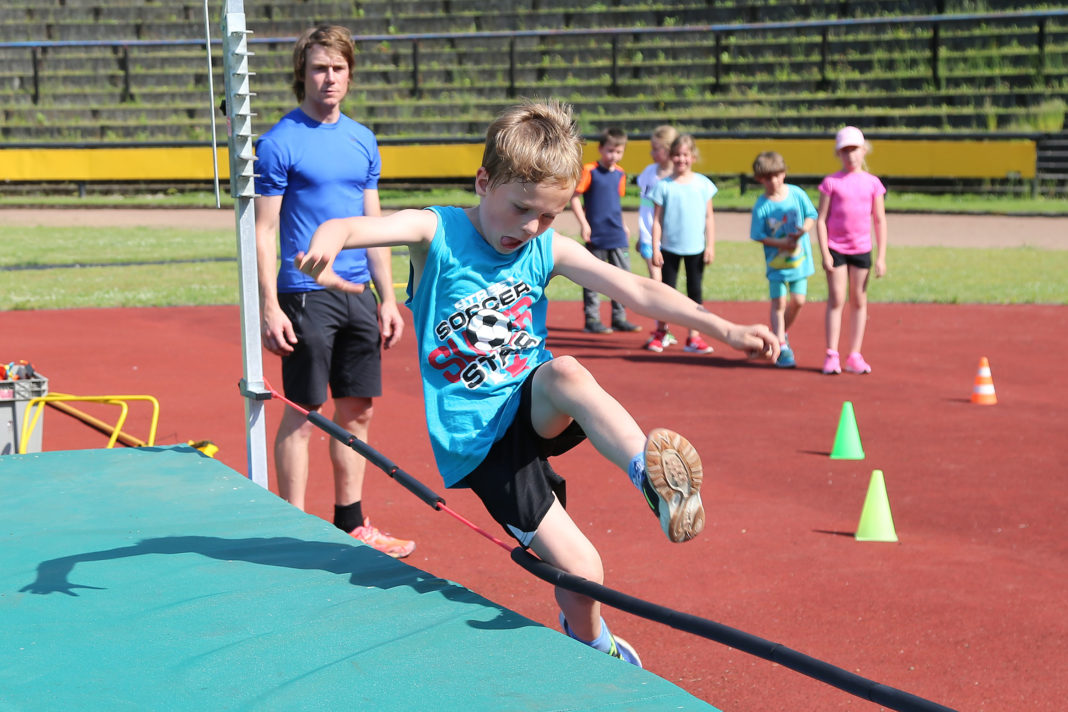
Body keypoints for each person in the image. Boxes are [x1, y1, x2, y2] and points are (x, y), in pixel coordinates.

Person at [293, 99, 778, 667]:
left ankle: (650, 476)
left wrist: (724, 327)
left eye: (548, 217)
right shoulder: (438, 231)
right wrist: (330, 236)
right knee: (585, 572)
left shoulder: (546, 248)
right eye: (522, 209)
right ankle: (591, 640)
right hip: (482, 444)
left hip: (530, 399)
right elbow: (361, 224)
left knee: (567, 371)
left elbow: (639, 291)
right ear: (483, 181)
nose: (530, 229)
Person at [253, 25, 414, 557]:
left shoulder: (362, 139)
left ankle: (352, 524)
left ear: (350, 74)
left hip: (357, 293)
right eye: (320, 68)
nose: (329, 78)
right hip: (305, 291)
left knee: (358, 411)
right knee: (304, 409)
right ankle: (293, 533)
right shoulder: (279, 142)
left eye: (338, 68)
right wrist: (269, 307)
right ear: (303, 72)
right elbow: (264, 232)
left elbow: (375, 226)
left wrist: (387, 298)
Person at [815, 126, 888, 375]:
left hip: (861, 249)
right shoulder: (830, 183)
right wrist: (825, 252)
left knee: (859, 299)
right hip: (836, 248)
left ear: (864, 150)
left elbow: (879, 220)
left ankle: (854, 355)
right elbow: (821, 220)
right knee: (836, 298)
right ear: (838, 154)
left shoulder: (873, 183)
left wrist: (881, 257)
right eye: (845, 151)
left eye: (854, 149)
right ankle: (831, 354)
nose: (850, 155)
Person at [650, 134, 718, 354]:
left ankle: (694, 337)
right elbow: (657, 220)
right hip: (669, 248)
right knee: (666, 293)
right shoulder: (663, 186)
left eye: (685, 155)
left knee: (694, 293)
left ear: (693, 156)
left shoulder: (703, 185)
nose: (681, 159)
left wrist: (710, 246)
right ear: (671, 157)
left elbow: (709, 218)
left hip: (696, 249)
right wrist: (655, 247)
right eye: (677, 155)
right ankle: (662, 332)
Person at [749, 151, 818, 369]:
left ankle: (780, 332)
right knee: (778, 303)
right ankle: (781, 346)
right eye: (768, 178)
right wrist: (781, 244)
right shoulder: (762, 205)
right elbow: (758, 235)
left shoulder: (796, 194)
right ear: (760, 179)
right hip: (777, 266)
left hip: (800, 262)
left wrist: (801, 232)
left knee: (798, 301)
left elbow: (811, 215)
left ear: (784, 174)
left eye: (777, 175)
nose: (773, 181)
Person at [569, 127, 641, 334]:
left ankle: (619, 317)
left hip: (617, 233)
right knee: (592, 277)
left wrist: (624, 225)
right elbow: (575, 197)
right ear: (601, 149)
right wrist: (584, 224)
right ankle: (592, 319)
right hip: (596, 233)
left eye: (618, 152)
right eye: (610, 151)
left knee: (622, 277)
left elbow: (614, 203)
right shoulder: (590, 170)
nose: (614, 156)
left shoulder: (620, 174)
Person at [636, 124, 680, 352]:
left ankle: (666, 329)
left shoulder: (676, 179)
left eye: (657, 149)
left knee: (667, 286)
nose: (653, 154)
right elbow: (644, 209)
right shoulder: (648, 173)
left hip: (670, 240)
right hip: (648, 238)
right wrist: (641, 235)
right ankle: (661, 329)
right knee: (657, 284)